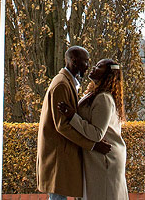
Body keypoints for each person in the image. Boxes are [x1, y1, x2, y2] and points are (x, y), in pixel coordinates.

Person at [38, 45, 111, 200]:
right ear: (74, 61)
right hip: (58, 158)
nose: (88, 66)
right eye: (85, 62)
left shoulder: (66, 82)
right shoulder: (62, 85)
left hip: (61, 157)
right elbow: (62, 125)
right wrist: (92, 145)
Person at [57, 59, 129, 200]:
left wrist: (72, 116)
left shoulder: (104, 98)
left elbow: (97, 134)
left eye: (99, 67)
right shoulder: (94, 95)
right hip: (97, 158)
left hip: (105, 158)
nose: (93, 68)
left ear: (108, 74)